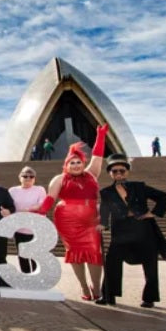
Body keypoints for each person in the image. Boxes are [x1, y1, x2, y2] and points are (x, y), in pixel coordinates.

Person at [39, 125, 109, 300]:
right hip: (67, 220)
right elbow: (50, 198)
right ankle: (84, 287)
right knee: (76, 253)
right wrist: (41, 212)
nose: (76, 165)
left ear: (83, 163)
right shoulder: (59, 179)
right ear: (66, 165)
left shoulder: (91, 175)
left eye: (78, 162)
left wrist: (100, 137)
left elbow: (98, 156)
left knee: (94, 252)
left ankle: (97, 288)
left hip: (91, 219)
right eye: (72, 163)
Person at [97, 154, 166, 307]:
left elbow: (165, 197)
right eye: (114, 171)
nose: (118, 174)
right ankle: (108, 295)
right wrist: (103, 224)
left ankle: (149, 298)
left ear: (127, 172)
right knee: (112, 262)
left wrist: (153, 213)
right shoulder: (106, 192)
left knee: (150, 264)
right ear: (110, 173)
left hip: (143, 229)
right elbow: (105, 210)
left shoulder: (139, 186)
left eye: (122, 171)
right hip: (121, 231)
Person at [8, 166, 47, 273]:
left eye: (31, 176)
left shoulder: (40, 189)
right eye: (25, 176)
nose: (28, 178)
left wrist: (28, 210)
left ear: (34, 178)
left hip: (35, 228)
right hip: (19, 229)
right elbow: (9, 206)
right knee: (22, 256)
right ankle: (26, 278)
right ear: (20, 177)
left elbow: (41, 204)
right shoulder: (13, 190)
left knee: (35, 255)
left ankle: (36, 278)